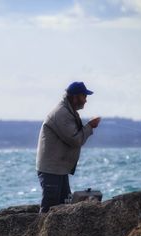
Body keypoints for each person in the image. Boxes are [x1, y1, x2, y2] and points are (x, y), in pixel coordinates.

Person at [36, 81, 100, 213]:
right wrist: (89, 126)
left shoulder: (68, 111)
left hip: (58, 169)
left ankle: (54, 233)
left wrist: (88, 126)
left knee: (62, 207)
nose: (86, 100)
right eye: (84, 96)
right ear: (75, 97)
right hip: (51, 170)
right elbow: (75, 140)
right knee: (50, 207)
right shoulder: (62, 113)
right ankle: (41, 233)